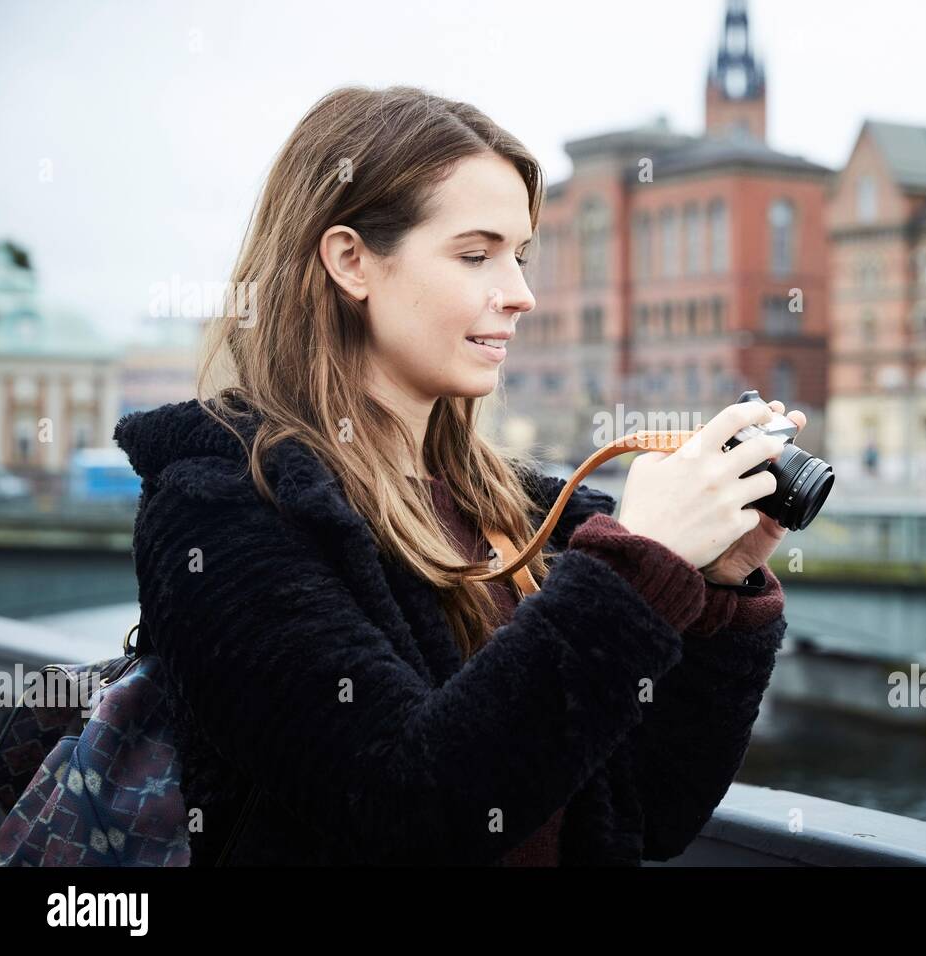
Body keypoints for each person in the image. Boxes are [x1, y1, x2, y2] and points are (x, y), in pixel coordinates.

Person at [112, 85, 806, 866]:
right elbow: (405, 810)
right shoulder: (220, 510)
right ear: (350, 261)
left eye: (521, 255)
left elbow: (653, 809)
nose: (521, 294)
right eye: (477, 255)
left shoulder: (522, 508)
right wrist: (640, 563)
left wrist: (718, 585)